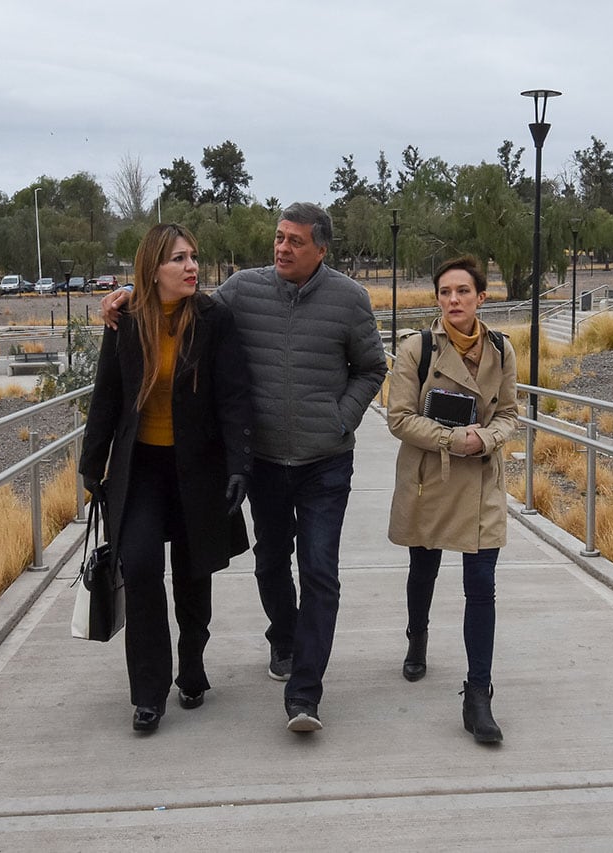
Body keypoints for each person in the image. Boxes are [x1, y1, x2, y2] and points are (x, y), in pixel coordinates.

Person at [101, 203, 387, 734]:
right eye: (279, 238)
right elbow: (176, 301)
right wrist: (124, 298)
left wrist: (340, 418)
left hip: (324, 462)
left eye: (295, 242)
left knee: (320, 570)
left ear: (321, 249)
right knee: (271, 562)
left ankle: (304, 693)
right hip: (265, 464)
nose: (282, 248)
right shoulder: (241, 291)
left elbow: (372, 366)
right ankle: (282, 636)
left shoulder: (350, 299)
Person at [80, 223, 254, 735]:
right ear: (153, 268)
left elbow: (234, 396)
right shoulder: (127, 320)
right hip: (141, 472)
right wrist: (93, 465)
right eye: (179, 259)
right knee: (139, 570)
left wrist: (240, 464)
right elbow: (107, 395)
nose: (191, 267)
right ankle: (148, 693)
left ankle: (192, 666)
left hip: (198, 470)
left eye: (194, 257)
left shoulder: (214, 319)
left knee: (193, 573)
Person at [385, 255, 519, 744]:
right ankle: (416, 635)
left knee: (481, 585)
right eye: (445, 292)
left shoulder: (502, 350)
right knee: (424, 567)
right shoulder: (415, 349)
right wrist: (450, 439)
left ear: (481, 297)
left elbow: (509, 412)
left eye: (463, 291)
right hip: (433, 478)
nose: (453, 300)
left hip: (482, 480)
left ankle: (478, 693)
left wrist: (484, 440)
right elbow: (398, 418)